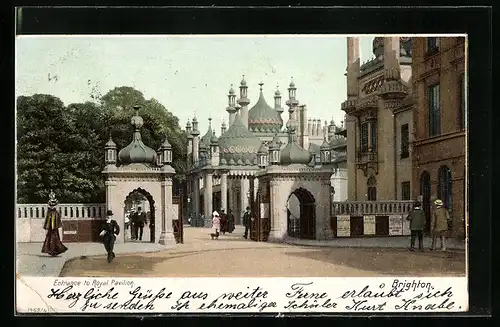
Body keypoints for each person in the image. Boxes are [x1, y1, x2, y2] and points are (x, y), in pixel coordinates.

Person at [41, 190, 68, 257]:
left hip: (54, 229)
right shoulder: (49, 212)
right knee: (49, 239)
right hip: (50, 229)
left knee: (55, 239)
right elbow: (47, 220)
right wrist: (47, 227)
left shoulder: (56, 212)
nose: (52, 206)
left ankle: (55, 251)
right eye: (51, 205)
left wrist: (55, 226)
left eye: (53, 205)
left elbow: (57, 220)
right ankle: (51, 251)